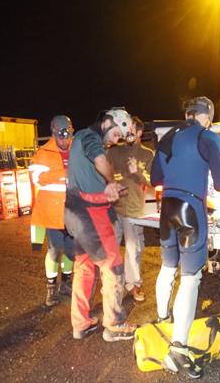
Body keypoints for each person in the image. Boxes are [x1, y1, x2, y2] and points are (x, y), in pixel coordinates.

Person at [151, 96, 220, 378]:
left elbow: (154, 178)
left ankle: (162, 319)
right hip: (191, 209)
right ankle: (178, 349)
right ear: (206, 115)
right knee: (191, 277)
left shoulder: (168, 136)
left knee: (168, 267)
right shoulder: (208, 137)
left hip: (167, 209)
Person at [64, 107, 138, 342]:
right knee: (113, 267)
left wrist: (109, 188)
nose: (115, 141)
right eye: (116, 135)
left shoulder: (80, 138)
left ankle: (81, 323)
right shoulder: (90, 136)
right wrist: (110, 183)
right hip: (90, 213)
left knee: (84, 268)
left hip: (74, 211)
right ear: (107, 123)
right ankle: (114, 325)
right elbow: (99, 160)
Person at [106, 116, 154, 302]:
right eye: (126, 129)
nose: (128, 133)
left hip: (135, 209)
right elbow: (104, 173)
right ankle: (113, 285)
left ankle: (133, 285)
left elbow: (153, 181)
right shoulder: (114, 152)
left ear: (140, 132)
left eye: (132, 129)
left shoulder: (147, 154)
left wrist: (137, 173)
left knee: (134, 249)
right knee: (111, 248)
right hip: (114, 208)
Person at [28, 115, 75, 308]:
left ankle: (66, 283)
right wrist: (63, 173)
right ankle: (51, 288)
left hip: (73, 212)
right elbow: (37, 179)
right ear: (54, 134)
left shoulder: (76, 151)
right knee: (55, 250)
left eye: (69, 135)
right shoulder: (43, 153)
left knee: (71, 252)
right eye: (61, 136)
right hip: (52, 212)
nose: (65, 141)